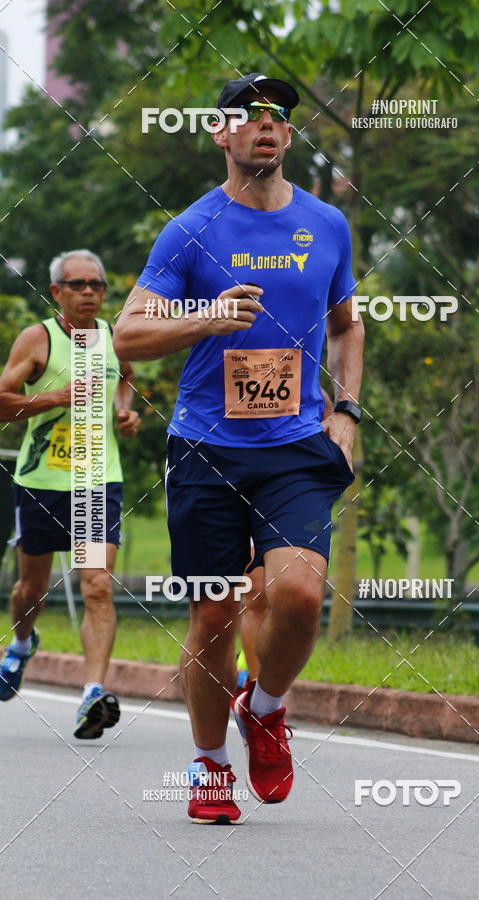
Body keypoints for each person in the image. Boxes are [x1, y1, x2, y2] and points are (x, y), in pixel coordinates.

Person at [114, 72, 364, 825]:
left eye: (277, 117)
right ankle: (210, 765)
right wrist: (206, 319)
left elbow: (348, 324)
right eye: (247, 116)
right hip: (207, 449)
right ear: (221, 135)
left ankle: (265, 707)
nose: (265, 125)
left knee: (298, 595)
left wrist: (347, 409)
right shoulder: (189, 230)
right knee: (215, 618)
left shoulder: (326, 225)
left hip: (294, 447)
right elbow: (128, 335)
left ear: (287, 137)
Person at [0, 249, 140, 739]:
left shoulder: (115, 338)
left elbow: (125, 379)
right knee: (30, 590)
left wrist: (125, 412)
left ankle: (92, 694)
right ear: (56, 291)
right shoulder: (37, 338)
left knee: (97, 586)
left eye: (96, 285)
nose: (87, 293)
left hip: (97, 481)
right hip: (42, 483)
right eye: (77, 285)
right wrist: (53, 398)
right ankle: (20, 645)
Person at [236, 388, 334, 693]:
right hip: (230, 469)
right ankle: (251, 683)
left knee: (277, 592)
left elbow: (324, 406)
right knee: (254, 592)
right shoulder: (223, 351)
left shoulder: (295, 364)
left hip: (285, 483)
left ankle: (260, 700)